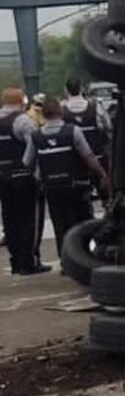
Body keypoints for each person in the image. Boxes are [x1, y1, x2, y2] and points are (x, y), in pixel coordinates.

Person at [23, 97, 110, 260]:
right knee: (83, 222)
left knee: (60, 224)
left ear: (43, 114)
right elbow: (88, 156)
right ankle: (87, 256)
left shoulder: (36, 136)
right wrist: (102, 173)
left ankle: (66, 260)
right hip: (77, 185)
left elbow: (27, 162)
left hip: (52, 187)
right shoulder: (73, 131)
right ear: (60, 112)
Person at [0, 88, 48, 275]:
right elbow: (35, 144)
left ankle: (15, 261)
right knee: (29, 220)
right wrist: (31, 169)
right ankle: (29, 261)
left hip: (3, 177)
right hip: (23, 177)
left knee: (9, 219)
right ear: (21, 101)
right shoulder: (22, 121)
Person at [61, 78, 112, 181]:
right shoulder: (95, 106)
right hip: (97, 156)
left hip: (72, 160)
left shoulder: (62, 109)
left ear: (66, 91)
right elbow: (108, 126)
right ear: (82, 89)